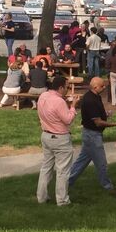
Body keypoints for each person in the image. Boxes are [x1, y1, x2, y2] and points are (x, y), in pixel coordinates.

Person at [36, 75, 79, 206]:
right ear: (60, 88)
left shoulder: (43, 96)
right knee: (63, 171)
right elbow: (68, 120)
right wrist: (73, 106)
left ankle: (41, 197)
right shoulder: (59, 102)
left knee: (46, 168)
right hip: (60, 139)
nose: (67, 89)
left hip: (46, 135)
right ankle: (62, 200)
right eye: (67, 87)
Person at [68, 76, 116, 193]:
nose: (104, 87)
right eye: (102, 86)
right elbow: (98, 122)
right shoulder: (90, 100)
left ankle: (67, 181)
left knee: (82, 161)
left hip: (89, 134)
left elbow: (96, 114)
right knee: (101, 163)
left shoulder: (95, 96)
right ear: (95, 87)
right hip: (93, 136)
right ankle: (107, 186)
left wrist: (105, 114)